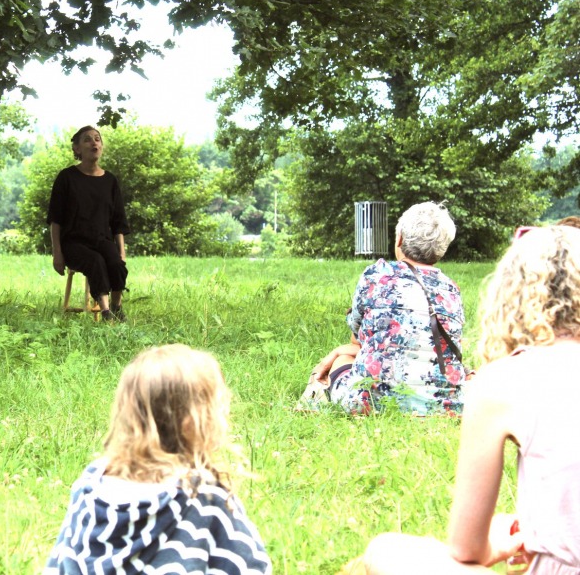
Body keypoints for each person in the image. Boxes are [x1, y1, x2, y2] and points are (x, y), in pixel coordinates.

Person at [361, 225, 580, 574]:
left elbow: (467, 549)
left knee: (384, 550)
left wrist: (501, 542)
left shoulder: (503, 381)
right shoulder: (447, 287)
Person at [44, 344, 272, 574]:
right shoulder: (203, 497)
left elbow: (58, 565)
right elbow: (251, 567)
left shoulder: (90, 486)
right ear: (197, 421)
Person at [311, 202, 467, 414]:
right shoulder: (451, 290)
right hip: (443, 407)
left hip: (369, 403)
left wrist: (340, 351)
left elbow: (359, 343)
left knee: (343, 360)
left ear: (400, 239)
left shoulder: (377, 276)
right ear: (442, 248)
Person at [47, 125, 130, 321]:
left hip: (102, 241)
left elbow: (118, 221)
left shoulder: (110, 181)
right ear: (77, 149)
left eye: (97, 138)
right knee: (96, 261)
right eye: (87, 139)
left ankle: (117, 307)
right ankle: (105, 311)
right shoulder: (66, 178)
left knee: (116, 264)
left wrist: (122, 252)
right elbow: (55, 220)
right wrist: (57, 254)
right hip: (73, 244)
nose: (94, 142)